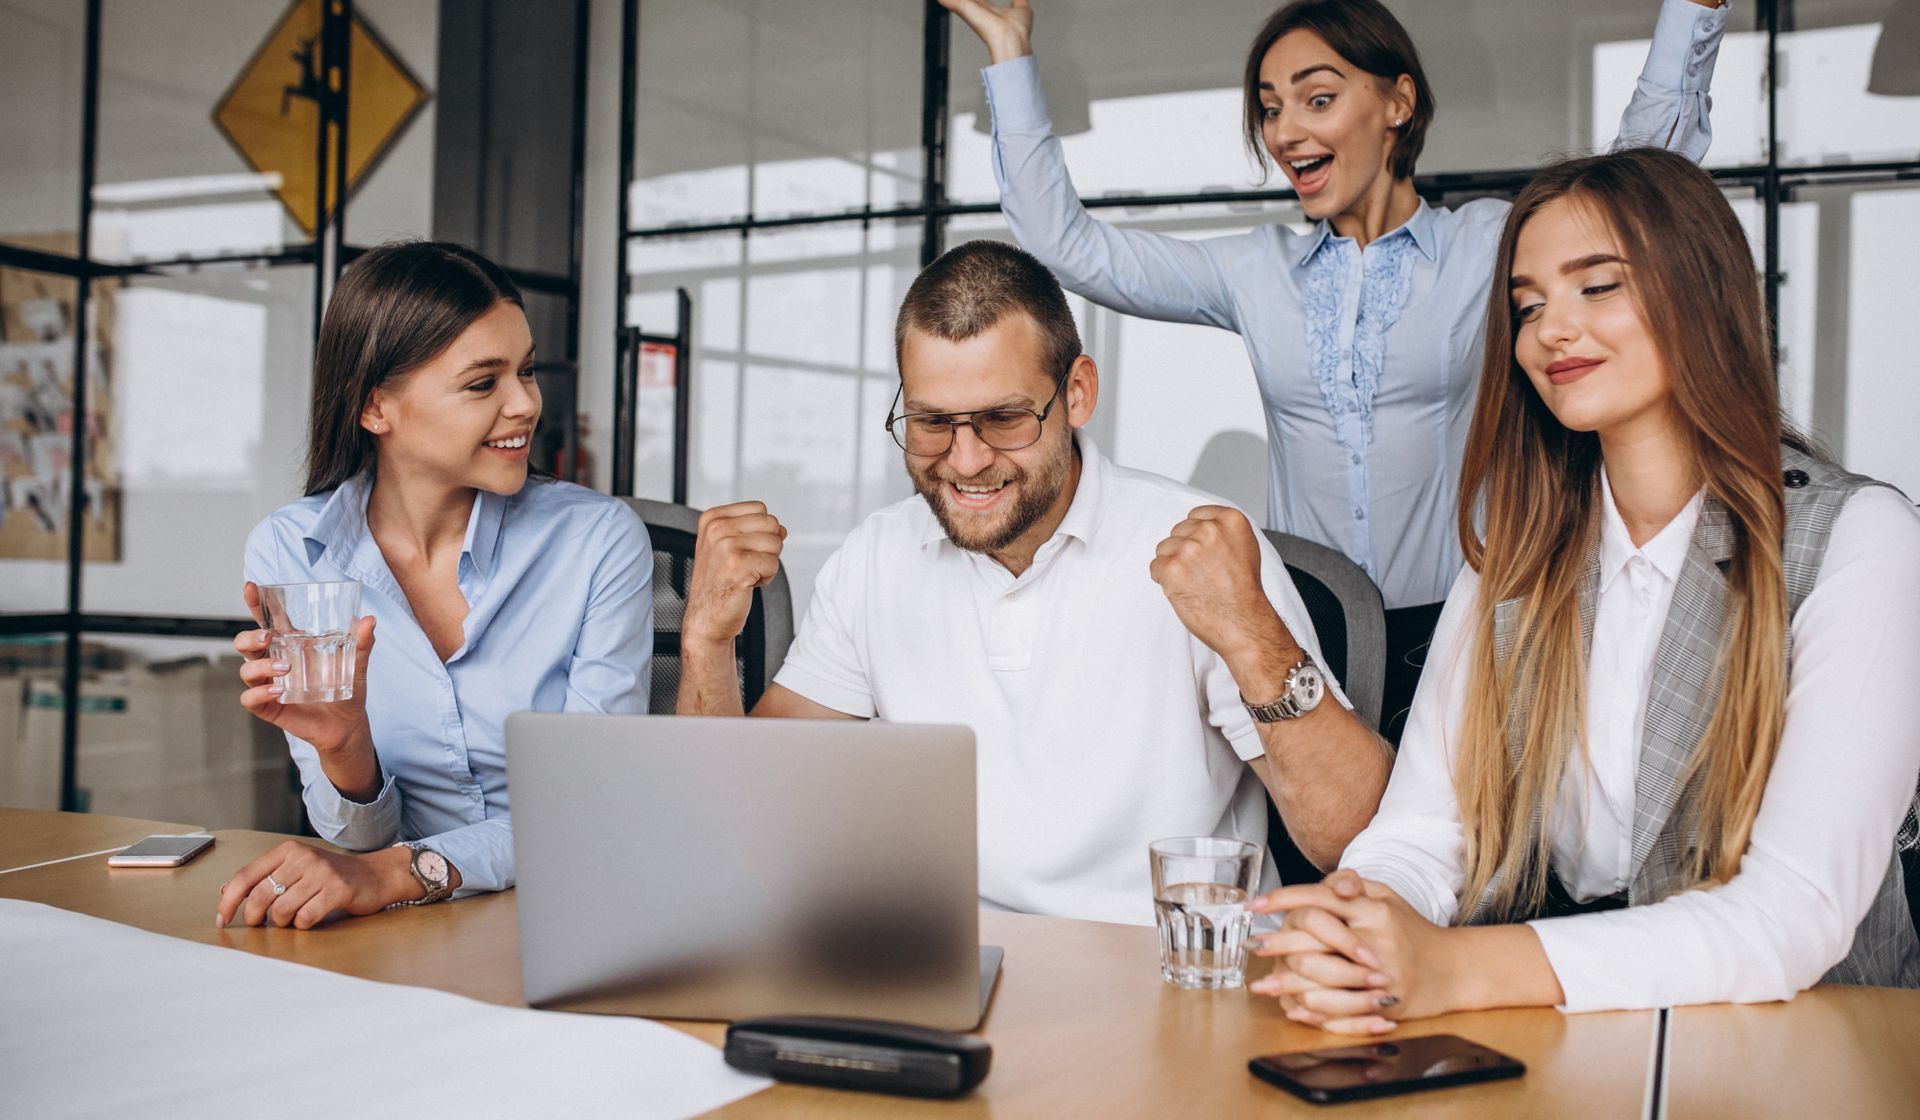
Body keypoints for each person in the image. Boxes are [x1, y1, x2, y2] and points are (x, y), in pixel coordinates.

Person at [928, 0, 1903, 744]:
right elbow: (1072, 247)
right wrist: (1011, 64)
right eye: (1270, 107)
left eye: (1318, 96)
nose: (1286, 129)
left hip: (1476, 618)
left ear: (1397, 102)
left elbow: (1633, 188)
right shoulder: (1254, 271)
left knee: (1465, 870)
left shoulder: (1485, 248)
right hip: (1308, 621)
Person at [1246, 148, 1920, 1033]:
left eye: (1597, 287)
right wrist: (1362, 922)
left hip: (1804, 1043)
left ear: (1702, 292)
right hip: (1560, 1031)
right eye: (1527, 306)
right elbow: (1424, 832)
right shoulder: (1515, 556)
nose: (1550, 330)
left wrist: (1454, 968)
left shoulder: (1860, 538)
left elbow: (1797, 914)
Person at [676, 240, 1393, 926]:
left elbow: (1350, 839)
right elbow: (744, 832)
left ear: (1077, 392)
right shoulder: (874, 558)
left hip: (1163, 973)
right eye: (931, 423)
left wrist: (1255, 641)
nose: (964, 461)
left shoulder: (1198, 543)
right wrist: (707, 641)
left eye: (1003, 419)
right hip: (944, 967)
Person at [214, 242, 653, 930]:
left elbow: (587, 813)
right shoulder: (292, 550)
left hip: (580, 913)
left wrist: (398, 873)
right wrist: (342, 747)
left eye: (527, 371)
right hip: (401, 925)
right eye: (484, 384)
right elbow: (353, 842)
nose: (526, 404)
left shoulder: (598, 540)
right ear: (375, 409)